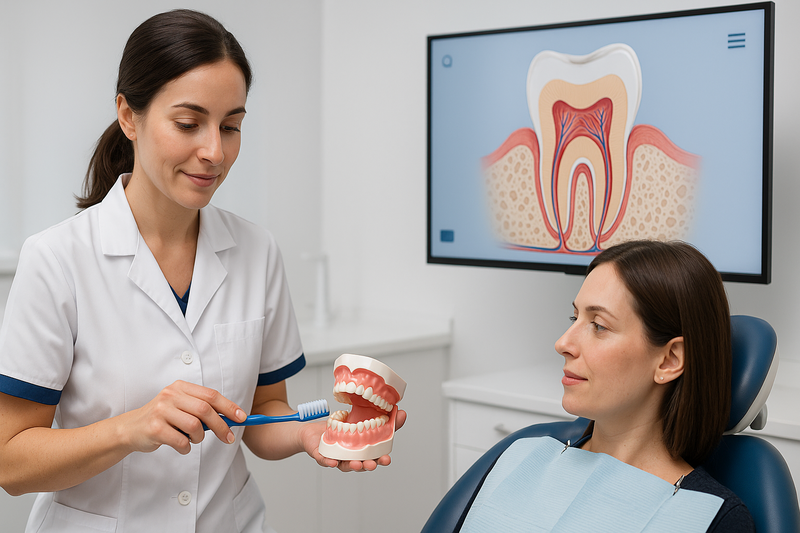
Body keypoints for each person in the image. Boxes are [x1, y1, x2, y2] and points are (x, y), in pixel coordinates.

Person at [0, 9, 403, 533]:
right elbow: (11, 462)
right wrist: (130, 429)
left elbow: (264, 412)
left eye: (231, 126)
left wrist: (308, 434)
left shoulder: (256, 250)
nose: (214, 151)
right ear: (128, 116)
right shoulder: (57, 259)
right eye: (189, 124)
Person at [459, 240, 754, 532]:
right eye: (575, 317)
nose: (562, 343)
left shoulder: (708, 518)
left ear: (669, 360)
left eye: (599, 325)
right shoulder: (522, 456)